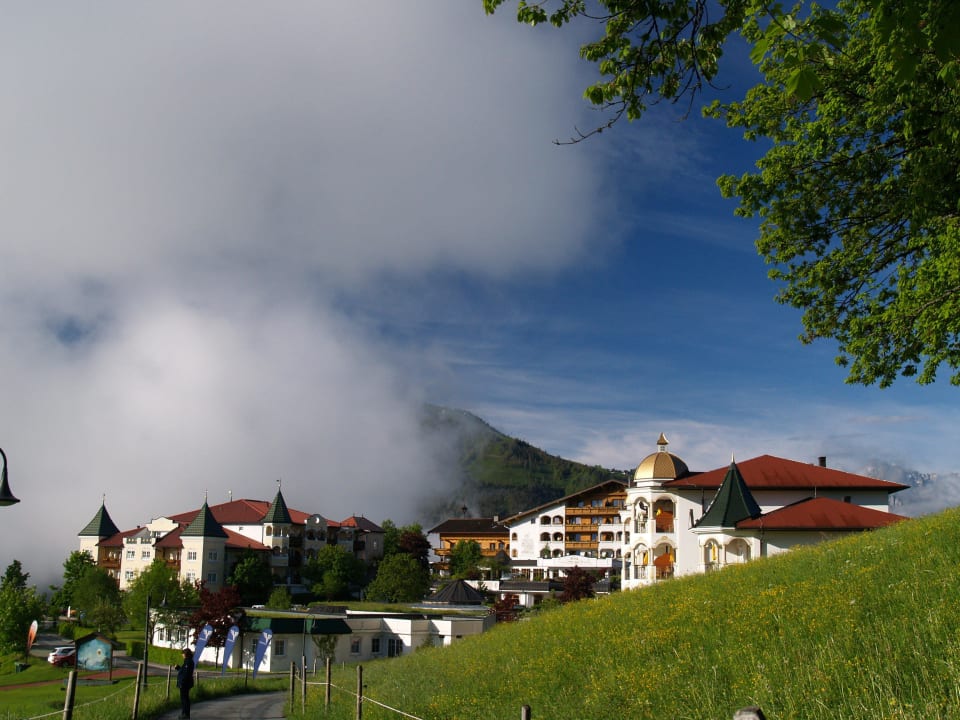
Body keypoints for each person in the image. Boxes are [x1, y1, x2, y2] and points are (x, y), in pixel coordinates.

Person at [174, 647, 195, 719]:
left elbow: (186, 674)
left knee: (184, 699)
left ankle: (185, 714)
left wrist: (182, 682)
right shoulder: (187, 661)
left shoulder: (188, 662)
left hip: (185, 683)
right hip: (185, 683)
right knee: (184, 699)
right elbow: (183, 671)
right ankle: (184, 714)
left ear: (186, 654)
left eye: (183, 653)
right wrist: (178, 668)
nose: (182, 655)